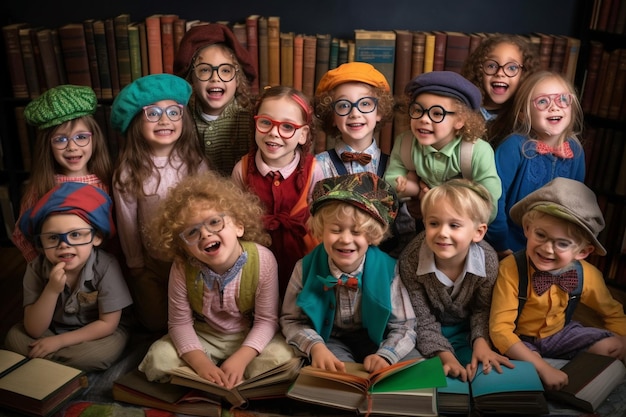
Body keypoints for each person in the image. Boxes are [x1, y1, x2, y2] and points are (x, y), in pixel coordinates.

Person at [138, 172, 295, 388]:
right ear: (182, 246)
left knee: (281, 358)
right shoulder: (183, 266)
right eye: (192, 232)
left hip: (248, 335)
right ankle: (213, 379)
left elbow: (266, 321)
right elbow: (179, 323)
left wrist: (242, 358)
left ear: (239, 226)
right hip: (205, 336)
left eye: (214, 222)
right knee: (159, 358)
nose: (205, 234)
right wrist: (202, 364)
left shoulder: (263, 260)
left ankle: (236, 374)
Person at [489, 178, 626, 391]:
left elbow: (612, 312)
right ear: (527, 228)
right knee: (529, 370)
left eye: (562, 243)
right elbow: (500, 329)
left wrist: (623, 338)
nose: (547, 249)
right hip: (520, 338)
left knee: (613, 347)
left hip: (561, 334)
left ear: (582, 252)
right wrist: (543, 367)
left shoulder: (586, 274)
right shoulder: (511, 269)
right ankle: (542, 369)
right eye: (541, 235)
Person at [280, 172, 419, 373]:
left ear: (372, 235)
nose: (345, 239)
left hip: (377, 338)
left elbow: (405, 325)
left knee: (409, 366)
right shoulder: (305, 267)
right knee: (338, 374)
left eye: (356, 232)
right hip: (330, 339)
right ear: (321, 230)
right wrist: (315, 346)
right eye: (336, 230)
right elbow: (291, 319)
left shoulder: (389, 269)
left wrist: (386, 355)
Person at [111, 73, 209, 333]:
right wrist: (135, 265)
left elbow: (208, 209)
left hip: (193, 258)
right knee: (156, 323)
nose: (164, 120)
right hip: (152, 263)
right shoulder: (129, 172)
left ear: (183, 118)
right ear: (136, 121)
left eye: (173, 112)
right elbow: (127, 221)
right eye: (153, 113)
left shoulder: (193, 162)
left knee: (196, 318)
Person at [4, 182, 132, 372]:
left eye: (76, 235)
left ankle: (45, 361)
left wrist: (59, 342)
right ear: (41, 243)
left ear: (96, 237)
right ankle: (57, 362)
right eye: (53, 238)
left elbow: (107, 324)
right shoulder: (36, 268)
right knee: (14, 338)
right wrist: (52, 290)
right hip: (52, 328)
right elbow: (34, 329)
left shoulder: (106, 266)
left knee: (97, 355)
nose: (64, 245)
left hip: (96, 332)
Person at [398, 179, 512, 382]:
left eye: (454, 225)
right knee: (434, 379)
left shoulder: (488, 261)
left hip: (468, 330)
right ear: (424, 223)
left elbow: (483, 309)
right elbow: (420, 318)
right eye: (434, 223)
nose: (442, 233)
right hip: (423, 332)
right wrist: (445, 356)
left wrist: (481, 342)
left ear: (478, 232)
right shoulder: (411, 260)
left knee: (482, 372)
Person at [232, 86, 323, 298]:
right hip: (256, 254)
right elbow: (233, 217)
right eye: (265, 122)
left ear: (303, 134)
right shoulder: (242, 169)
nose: (274, 132)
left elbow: (320, 218)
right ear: (255, 124)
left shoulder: (314, 170)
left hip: (301, 255)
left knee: (296, 302)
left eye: (287, 126)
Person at [486, 71, 585, 258]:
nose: (555, 108)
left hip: (554, 249)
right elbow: (493, 197)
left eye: (563, 99)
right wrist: (500, 244)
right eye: (542, 102)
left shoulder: (575, 151)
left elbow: (576, 206)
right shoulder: (514, 146)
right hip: (509, 244)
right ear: (524, 115)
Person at [383, 71, 501, 224]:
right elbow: (390, 185)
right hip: (420, 226)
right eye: (418, 110)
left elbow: (489, 208)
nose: (424, 119)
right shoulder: (405, 144)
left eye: (437, 113)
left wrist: (432, 199)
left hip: (463, 229)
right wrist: (415, 190)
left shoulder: (477, 152)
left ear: (460, 120)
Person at [12, 84, 112, 263]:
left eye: (81, 137)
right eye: (61, 140)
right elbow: (21, 234)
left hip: (104, 267)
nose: (72, 147)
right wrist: (38, 265)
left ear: (94, 139)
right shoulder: (42, 186)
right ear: (47, 146)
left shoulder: (106, 182)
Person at [174, 23, 257, 175]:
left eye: (225, 70)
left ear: (237, 79)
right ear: (192, 79)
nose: (215, 78)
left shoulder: (250, 120)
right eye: (205, 70)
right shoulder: (181, 119)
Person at [313, 62, 394, 178]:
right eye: (344, 105)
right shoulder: (318, 166)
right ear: (332, 115)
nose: (355, 114)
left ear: (379, 111)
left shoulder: (393, 167)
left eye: (365, 103)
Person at [461, 34, 539, 147]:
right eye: (492, 65)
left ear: (525, 74)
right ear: (479, 71)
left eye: (512, 68)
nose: (500, 73)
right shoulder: (463, 111)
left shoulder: (524, 121)